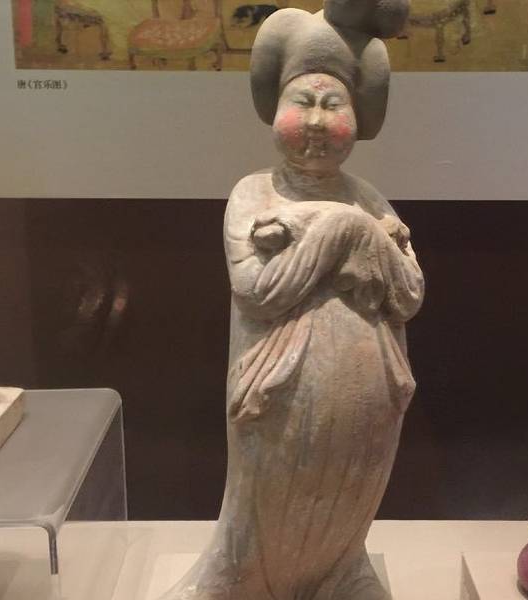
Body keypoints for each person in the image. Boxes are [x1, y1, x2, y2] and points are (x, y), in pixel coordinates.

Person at [161, 1, 423, 599]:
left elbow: (409, 294)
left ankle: (341, 571)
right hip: (277, 392)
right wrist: (345, 232)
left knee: (349, 493)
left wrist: (339, 229)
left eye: (333, 105)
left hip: (370, 394)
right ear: (275, 109)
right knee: (270, 494)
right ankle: (243, 580)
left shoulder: (369, 198)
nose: (316, 121)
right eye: (302, 102)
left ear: (357, 116)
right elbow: (260, 292)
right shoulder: (254, 194)